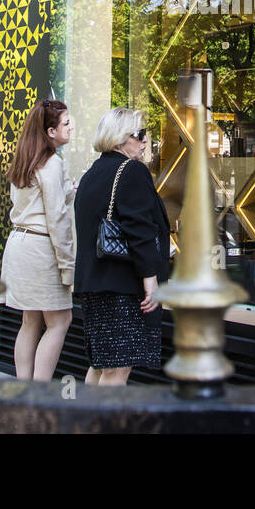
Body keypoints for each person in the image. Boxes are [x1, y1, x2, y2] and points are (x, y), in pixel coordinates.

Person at [73, 108, 171, 387]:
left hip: (95, 284)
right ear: (119, 139)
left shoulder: (93, 173)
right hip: (121, 287)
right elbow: (139, 230)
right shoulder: (132, 171)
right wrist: (150, 279)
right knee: (118, 369)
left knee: (101, 365)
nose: (144, 141)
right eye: (138, 135)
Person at [0, 99, 76, 382]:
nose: (72, 127)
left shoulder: (25, 160)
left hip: (18, 244)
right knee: (60, 321)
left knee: (30, 321)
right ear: (51, 131)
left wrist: (68, 189)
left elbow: (29, 203)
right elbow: (57, 218)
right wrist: (68, 265)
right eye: (66, 123)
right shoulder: (52, 163)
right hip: (41, 248)